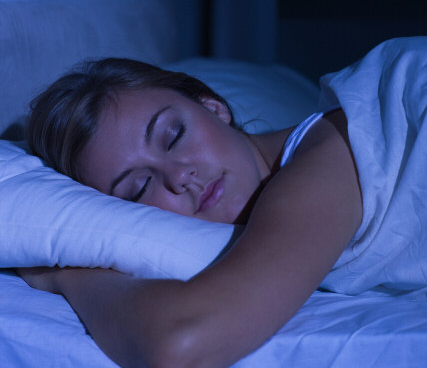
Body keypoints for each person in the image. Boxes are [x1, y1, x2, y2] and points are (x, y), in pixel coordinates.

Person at [21, 57, 363, 368]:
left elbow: (181, 346)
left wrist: (66, 276)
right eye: (139, 187)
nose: (180, 175)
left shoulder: (322, 159)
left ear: (213, 107)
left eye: (174, 136)